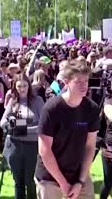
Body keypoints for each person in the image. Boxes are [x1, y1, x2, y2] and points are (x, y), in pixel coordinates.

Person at [35, 61, 100, 199]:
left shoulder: (92, 109)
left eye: (86, 81)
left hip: (78, 174)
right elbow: (44, 151)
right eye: (78, 82)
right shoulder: (52, 108)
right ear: (66, 82)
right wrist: (63, 183)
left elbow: (90, 147)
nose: (84, 86)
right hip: (50, 177)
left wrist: (80, 181)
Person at [0, 74, 44, 199]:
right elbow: (2, 122)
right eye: (19, 86)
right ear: (15, 87)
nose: (22, 89)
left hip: (32, 147)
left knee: (29, 181)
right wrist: (12, 125)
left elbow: (42, 126)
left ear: (29, 86)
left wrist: (20, 128)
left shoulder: (38, 101)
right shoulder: (12, 101)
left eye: (25, 86)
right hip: (15, 146)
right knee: (18, 182)